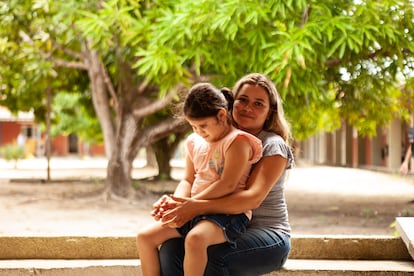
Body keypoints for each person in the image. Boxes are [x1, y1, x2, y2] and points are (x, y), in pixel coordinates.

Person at [157, 73, 294, 276]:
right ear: (231, 101)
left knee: (215, 254)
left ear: (269, 112)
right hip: (222, 224)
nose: (248, 108)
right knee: (170, 249)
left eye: (258, 104)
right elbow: (190, 178)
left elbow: (252, 198)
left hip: (269, 235)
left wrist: (194, 206)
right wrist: (177, 204)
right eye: (243, 100)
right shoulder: (218, 137)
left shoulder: (273, 145)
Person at [136, 82, 262, 276]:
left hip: (226, 214)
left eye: (202, 126)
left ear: (221, 115)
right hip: (192, 209)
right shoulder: (194, 142)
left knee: (195, 239)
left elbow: (227, 184)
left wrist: (190, 204)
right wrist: (176, 203)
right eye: (193, 126)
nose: (198, 131)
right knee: (145, 237)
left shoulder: (238, 142)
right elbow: (187, 179)